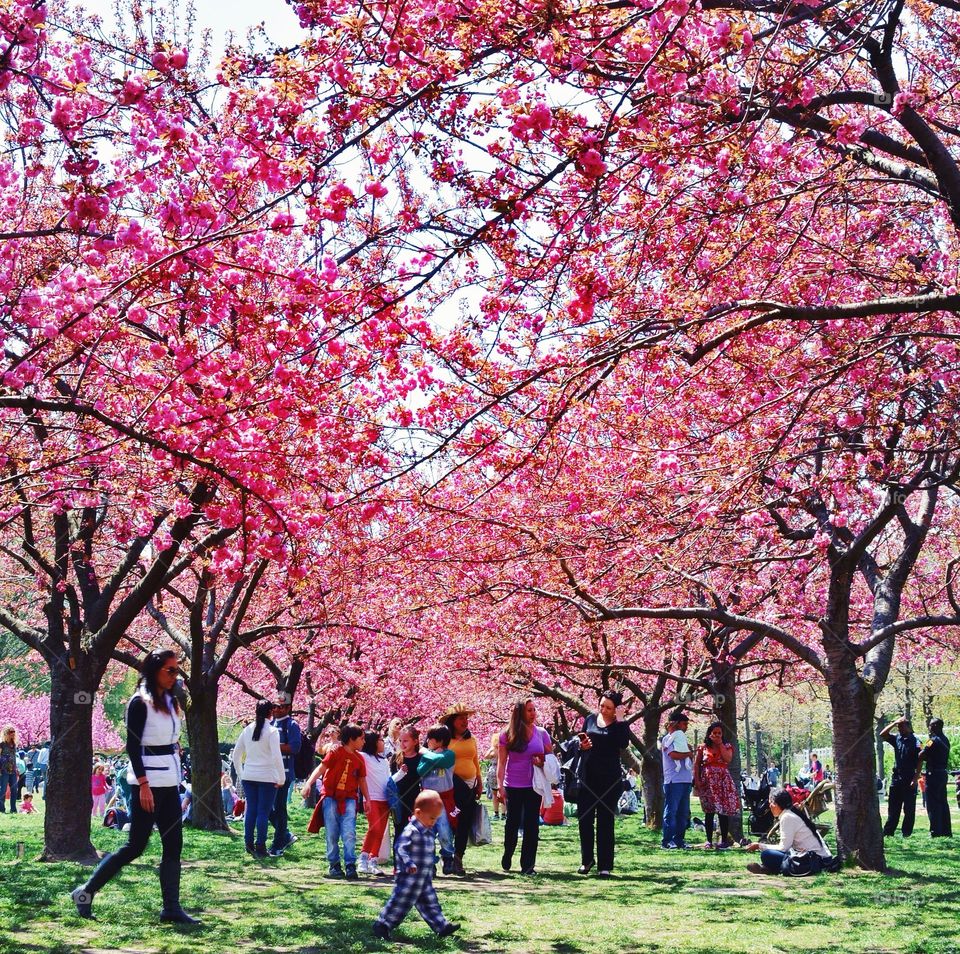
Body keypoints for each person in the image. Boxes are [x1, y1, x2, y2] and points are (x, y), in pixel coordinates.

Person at [70, 648, 200, 924]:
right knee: (135, 846)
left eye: (177, 670)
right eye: (170, 670)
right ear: (155, 671)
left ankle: (171, 907)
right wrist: (143, 785)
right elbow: (133, 746)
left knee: (174, 844)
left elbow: (170, 738)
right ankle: (86, 891)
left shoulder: (170, 700)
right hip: (147, 783)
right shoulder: (139, 702)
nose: (175, 675)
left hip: (170, 782)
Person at [372, 790, 461, 942]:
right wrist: (408, 862)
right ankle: (383, 924)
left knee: (430, 902)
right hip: (409, 877)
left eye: (436, 818)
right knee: (400, 902)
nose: (433, 822)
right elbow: (400, 848)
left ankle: (441, 926)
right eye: (432, 818)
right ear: (418, 813)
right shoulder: (411, 831)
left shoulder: (428, 831)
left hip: (423, 877)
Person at [302, 723, 369, 878]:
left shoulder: (360, 759)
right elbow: (321, 768)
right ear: (352, 739)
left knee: (349, 832)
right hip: (331, 797)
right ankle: (334, 865)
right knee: (332, 833)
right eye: (361, 738)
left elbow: (362, 780)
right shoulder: (335, 752)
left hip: (349, 798)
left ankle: (350, 864)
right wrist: (308, 783)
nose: (364, 742)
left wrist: (368, 799)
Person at [575, 689, 629, 876]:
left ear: (616, 709)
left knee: (605, 821)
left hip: (609, 779)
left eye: (608, 708)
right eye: (601, 706)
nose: (603, 710)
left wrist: (621, 720)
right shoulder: (590, 719)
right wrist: (582, 745)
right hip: (588, 777)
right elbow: (580, 740)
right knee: (585, 820)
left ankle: (605, 866)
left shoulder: (620, 724)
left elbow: (623, 743)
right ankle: (587, 860)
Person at [497, 698, 554, 875]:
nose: (533, 713)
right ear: (520, 713)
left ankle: (528, 865)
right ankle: (508, 852)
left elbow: (550, 758)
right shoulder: (506, 734)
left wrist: (541, 762)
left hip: (534, 785)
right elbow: (501, 762)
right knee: (512, 823)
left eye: (534, 709)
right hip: (513, 785)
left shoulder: (542, 733)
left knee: (531, 825)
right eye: (529, 710)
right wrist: (500, 785)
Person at [232, 699, 286, 858]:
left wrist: (241, 774)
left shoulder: (247, 729)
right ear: (270, 712)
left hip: (249, 776)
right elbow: (276, 757)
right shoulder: (272, 731)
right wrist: (281, 778)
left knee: (251, 811)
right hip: (267, 777)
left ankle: (248, 843)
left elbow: (236, 754)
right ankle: (261, 846)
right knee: (263, 812)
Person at [745, 789, 833, 874]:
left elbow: (783, 848)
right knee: (773, 855)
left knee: (766, 855)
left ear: (778, 804)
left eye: (771, 803)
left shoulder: (787, 817)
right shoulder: (791, 813)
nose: (770, 806)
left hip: (815, 860)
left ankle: (769, 869)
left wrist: (759, 846)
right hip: (817, 858)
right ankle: (769, 868)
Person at [442, 703, 483, 876]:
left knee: (465, 821)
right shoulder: (445, 739)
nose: (465, 721)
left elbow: (475, 760)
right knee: (452, 821)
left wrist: (479, 780)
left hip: (470, 784)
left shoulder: (471, 739)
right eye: (461, 718)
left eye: (466, 718)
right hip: (452, 785)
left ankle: (458, 857)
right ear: (452, 721)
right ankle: (447, 856)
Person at [417, 725, 457, 874]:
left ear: (440, 741)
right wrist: (430, 755)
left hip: (444, 800)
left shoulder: (449, 754)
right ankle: (430, 862)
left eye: (431, 738)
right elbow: (420, 771)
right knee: (428, 832)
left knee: (444, 829)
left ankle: (447, 856)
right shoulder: (428, 756)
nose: (427, 741)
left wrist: (425, 752)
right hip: (428, 800)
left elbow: (443, 761)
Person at [694, 721, 740, 850]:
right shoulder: (702, 747)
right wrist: (697, 780)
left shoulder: (727, 746)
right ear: (709, 734)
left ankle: (724, 841)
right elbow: (696, 765)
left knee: (723, 811)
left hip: (722, 781)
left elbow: (728, 759)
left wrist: (720, 744)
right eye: (714, 733)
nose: (717, 735)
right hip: (707, 782)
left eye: (719, 733)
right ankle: (708, 840)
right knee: (709, 811)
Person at [268, 698, 302, 856]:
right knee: (268, 807)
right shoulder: (271, 723)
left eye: (280, 707)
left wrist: (273, 746)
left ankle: (278, 844)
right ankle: (286, 835)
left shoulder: (292, 725)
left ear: (288, 708)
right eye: (274, 706)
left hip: (284, 773)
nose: (275, 709)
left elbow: (295, 747)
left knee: (279, 807)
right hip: (269, 773)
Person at [879, 716, 921, 838]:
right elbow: (882, 734)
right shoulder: (897, 739)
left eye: (901, 727)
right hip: (897, 777)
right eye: (898, 727)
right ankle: (888, 832)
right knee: (893, 806)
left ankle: (906, 832)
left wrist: (915, 778)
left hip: (909, 777)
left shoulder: (916, 741)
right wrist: (894, 723)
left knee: (909, 808)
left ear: (908, 727)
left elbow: (920, 760)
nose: (899, 729)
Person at [359, 730, 392, 876]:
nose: (383, 742)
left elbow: (389, 780)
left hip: (385, 800)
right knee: (375, 828)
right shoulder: (363, 756)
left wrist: (402, 773)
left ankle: (373, 860)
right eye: (380, 739)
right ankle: (363, 859)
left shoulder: (384, 761)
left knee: (380, 832)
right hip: (371, 799)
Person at [661, 709, 693, 850]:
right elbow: (673, 755)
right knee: (671, 812)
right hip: (673, 781)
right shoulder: (668, 739)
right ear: (677, 724)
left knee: (683, 813)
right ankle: (667, 841)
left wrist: (689, 753)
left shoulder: (682, 739)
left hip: (686, 780)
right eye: (684, 724)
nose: (686, 727)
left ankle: (679, 840)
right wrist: (688, 753)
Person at [916, 718, 952, 837]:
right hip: (942, 773)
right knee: (943, 803)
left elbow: (921, 755)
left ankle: (935, 831)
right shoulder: (945, 739)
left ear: (935, 726)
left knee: (932, 804)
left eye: (930, 725)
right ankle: (946, 831)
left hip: (933, 774)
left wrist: (920, 749)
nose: (929, 727)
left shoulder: (931, 740)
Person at [391, 725, 423, 844]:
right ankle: (398, 856)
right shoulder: (396, 757)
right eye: (400, 741)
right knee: (399, 830)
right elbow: (391, 780)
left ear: (415, 741)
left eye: (405, 741)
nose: (402, 744)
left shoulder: (421, 758)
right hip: (398, 799)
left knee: (414, 831)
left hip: (415, 799)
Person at [485, 730, 505, 820]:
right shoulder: (504, 748)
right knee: (503, 792)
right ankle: (504, 813)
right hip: (503, 770)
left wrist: (492, 748)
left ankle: (496, 813)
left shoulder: (493, 749)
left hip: (493, 770)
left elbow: (486, 756)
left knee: (494, 793)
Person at [0, 725, 18, 814]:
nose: (13, 733)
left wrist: (16, 768)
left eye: (14, 732)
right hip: (3, 770)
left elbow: (14, 757)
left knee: (14, 790)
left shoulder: (13, 744)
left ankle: (13, 809)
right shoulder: (2, 744)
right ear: (6, 733)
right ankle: (1, 809)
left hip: (13, 770)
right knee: (3, 790)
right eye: (11, 732)